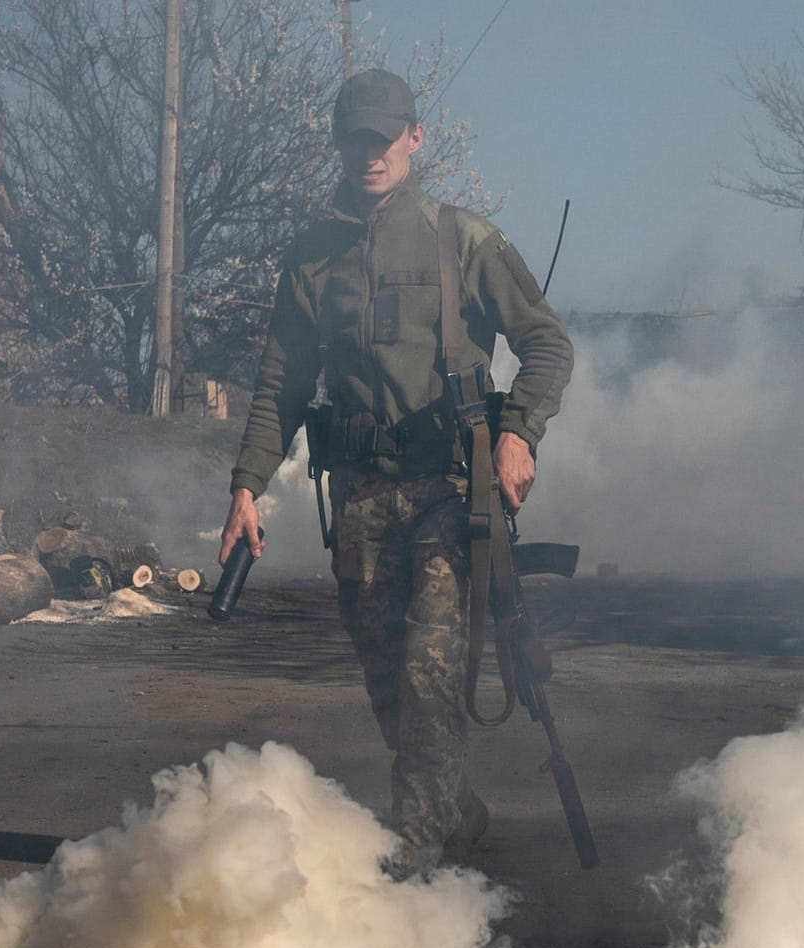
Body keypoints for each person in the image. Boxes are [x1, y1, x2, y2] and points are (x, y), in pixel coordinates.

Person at [218, 69, 574, 876]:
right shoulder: (310, 259)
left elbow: (547, 343)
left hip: (452, 493)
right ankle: (454, 810)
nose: (369, 155)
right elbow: (280, 384)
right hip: (361, 500)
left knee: (428, 676)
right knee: (387, 680)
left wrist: (518, 435)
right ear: (337, 145)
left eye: (384, 139)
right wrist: (246, 485)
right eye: (354, 140)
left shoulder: (464, 239)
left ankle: (416, 853)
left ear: (415, 138)